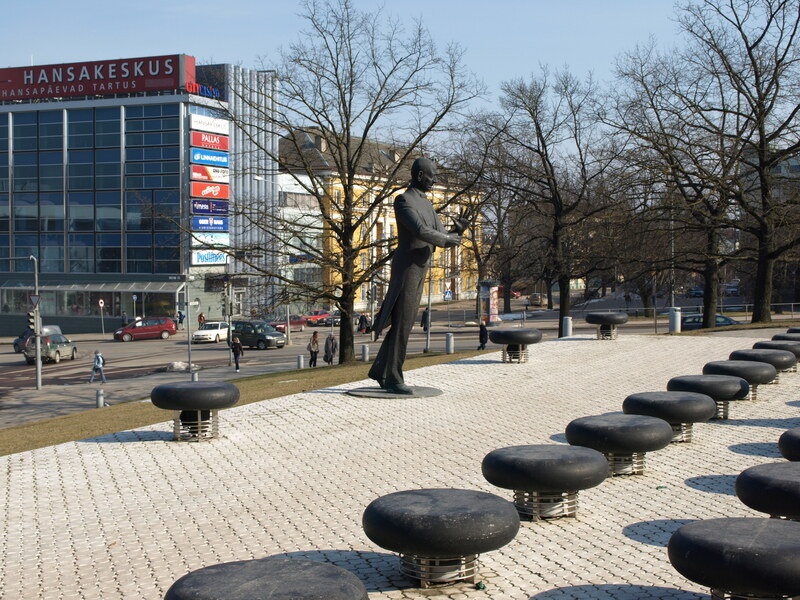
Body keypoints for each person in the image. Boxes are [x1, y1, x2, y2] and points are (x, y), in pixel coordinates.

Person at [368, 157, 466, 394]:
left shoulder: (427, 204)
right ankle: (393, 378)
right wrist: (446, 238)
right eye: (432, 176)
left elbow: (440, 234)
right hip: (407, 268)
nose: (435, 181)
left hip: (420, 267)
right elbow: (421, 231)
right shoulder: (403, 201)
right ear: (421, 176)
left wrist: (457, 231)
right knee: (402, 323)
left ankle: (380, 370)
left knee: (405, 322)